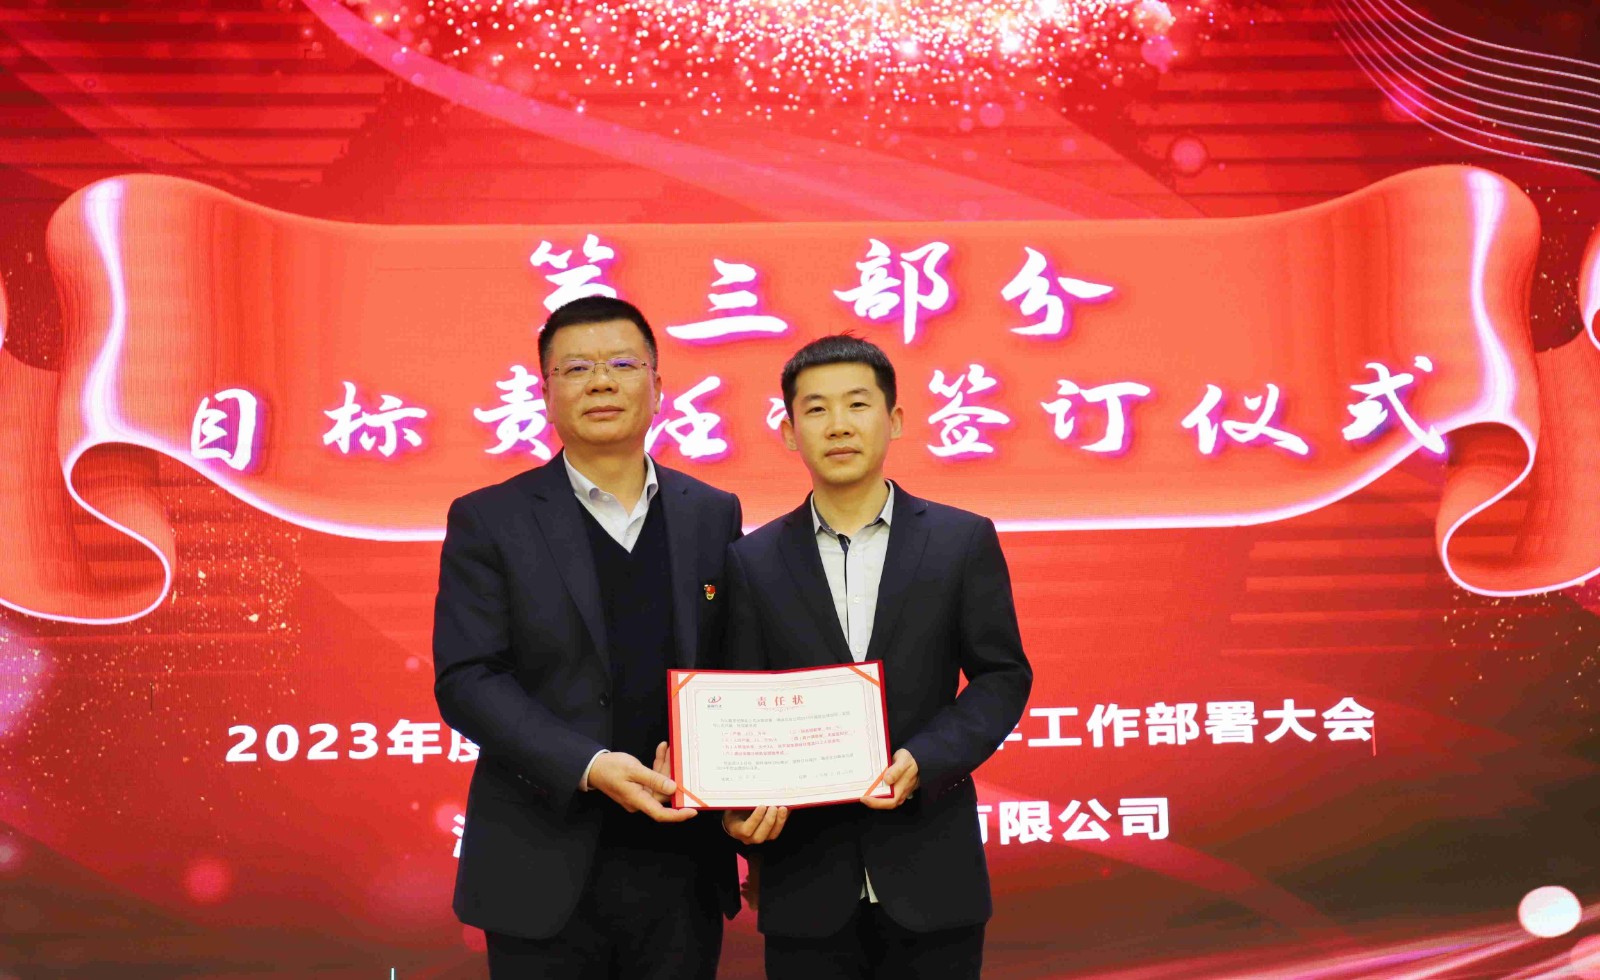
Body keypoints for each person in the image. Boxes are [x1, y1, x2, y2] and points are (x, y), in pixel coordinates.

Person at [432, 296, 742, 978]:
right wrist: (589, 764)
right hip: (541, 861)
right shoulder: (490, 519)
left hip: (682, 861)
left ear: (658, 386)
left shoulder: (712, 513)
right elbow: (467, 679)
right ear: (545, 393)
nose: (601, 382)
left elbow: (732, 669)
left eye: (623, 364)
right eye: (576, 368)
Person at [721, 333, 1032, 980]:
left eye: (857, 404)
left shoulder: (960, 541)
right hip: (804, 881)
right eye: (816, 409)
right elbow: (742, 702)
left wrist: (926, 760)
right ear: (789, 432)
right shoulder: (752, 561)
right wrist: (738, 803)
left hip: (933, 872)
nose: (838, 425)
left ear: (895, 420)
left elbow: (1002, 677)